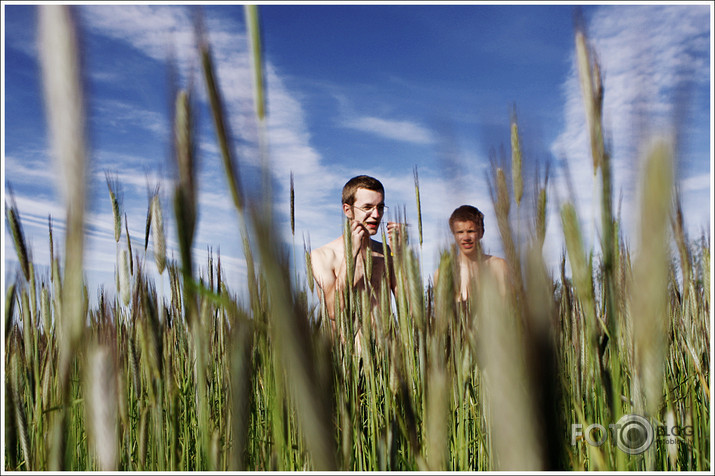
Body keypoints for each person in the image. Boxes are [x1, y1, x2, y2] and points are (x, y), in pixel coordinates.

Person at [310, 175, 400, 334]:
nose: (376, 215)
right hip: (346, 356)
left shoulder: (386, 253)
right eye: (367, 207)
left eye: (380, 207)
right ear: (347, 210)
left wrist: (401, 257)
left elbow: (409, 308)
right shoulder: (322, 256)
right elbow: (334, 311)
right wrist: (351, 256)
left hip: (388, 355)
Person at [436, 205, 509, 303]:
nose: (466, 237)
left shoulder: (498, 266)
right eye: (460, 232)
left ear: (481, 233)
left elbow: (507, 309)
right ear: (454, 235)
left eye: (470, 231)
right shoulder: (442, 274)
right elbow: (441, 315)